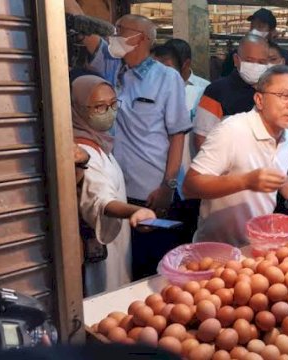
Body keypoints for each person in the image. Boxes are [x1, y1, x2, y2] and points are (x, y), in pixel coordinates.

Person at [66, 3, 191, 280]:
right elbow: (82, 25)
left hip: (151, 192)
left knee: (153, 272)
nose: (114, 36)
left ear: (140, 38)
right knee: (122, 268)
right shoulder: (110, 67)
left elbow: (177, 135)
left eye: (120, 31)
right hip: (116, 189)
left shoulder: (166, 78)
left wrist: (168, 185)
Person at [183, 66, 288, 247]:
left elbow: (276, 170)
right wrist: (246, 181)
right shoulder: (231, 130)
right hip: (218, 248)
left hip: (259, 243)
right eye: (284, 96)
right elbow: (190, 186)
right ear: (259, 99)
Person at [71, 75, 156, 296]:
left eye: (113, 104)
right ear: (78, 108)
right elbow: (102, 200)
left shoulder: (100, 144)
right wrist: (135, 211)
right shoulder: (81, 153)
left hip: (117, 249)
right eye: (99, 107)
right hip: (101, 256)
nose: (108, 112)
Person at [153, 39, 209, 244]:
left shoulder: (205, 90)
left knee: (188, 231)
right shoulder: (153, 91)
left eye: (166, 67)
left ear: (184, 64)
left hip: (192, 171)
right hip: (162, 173)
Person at [193, 35, 269, 151]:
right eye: (249, 60)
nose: (255, 66)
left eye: (261, 62)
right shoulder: (216, 91)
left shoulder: (271, 91)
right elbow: (201, 136)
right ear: (236, 60)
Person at [221, 8, 277, 77]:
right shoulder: (236, 55)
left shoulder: (280, 56)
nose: (254, 30)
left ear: (272, 31)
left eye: (260, 26)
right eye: (252, 26)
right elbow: (225, 78)